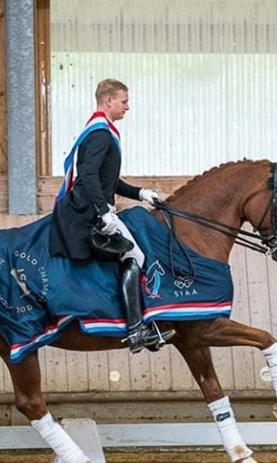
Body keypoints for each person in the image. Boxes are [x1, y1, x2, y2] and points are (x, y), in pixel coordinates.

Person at [49, 78, 175, 353]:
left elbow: (107, 180)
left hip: (94, 206)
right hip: (89, 213)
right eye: (124, 101)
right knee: (135, 256)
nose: (127, 107)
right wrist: (103, 211)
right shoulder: (100, 133)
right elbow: (89, 177)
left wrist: (140, 193)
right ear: (109, 101)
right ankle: (136, 330)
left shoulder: (103, 130)